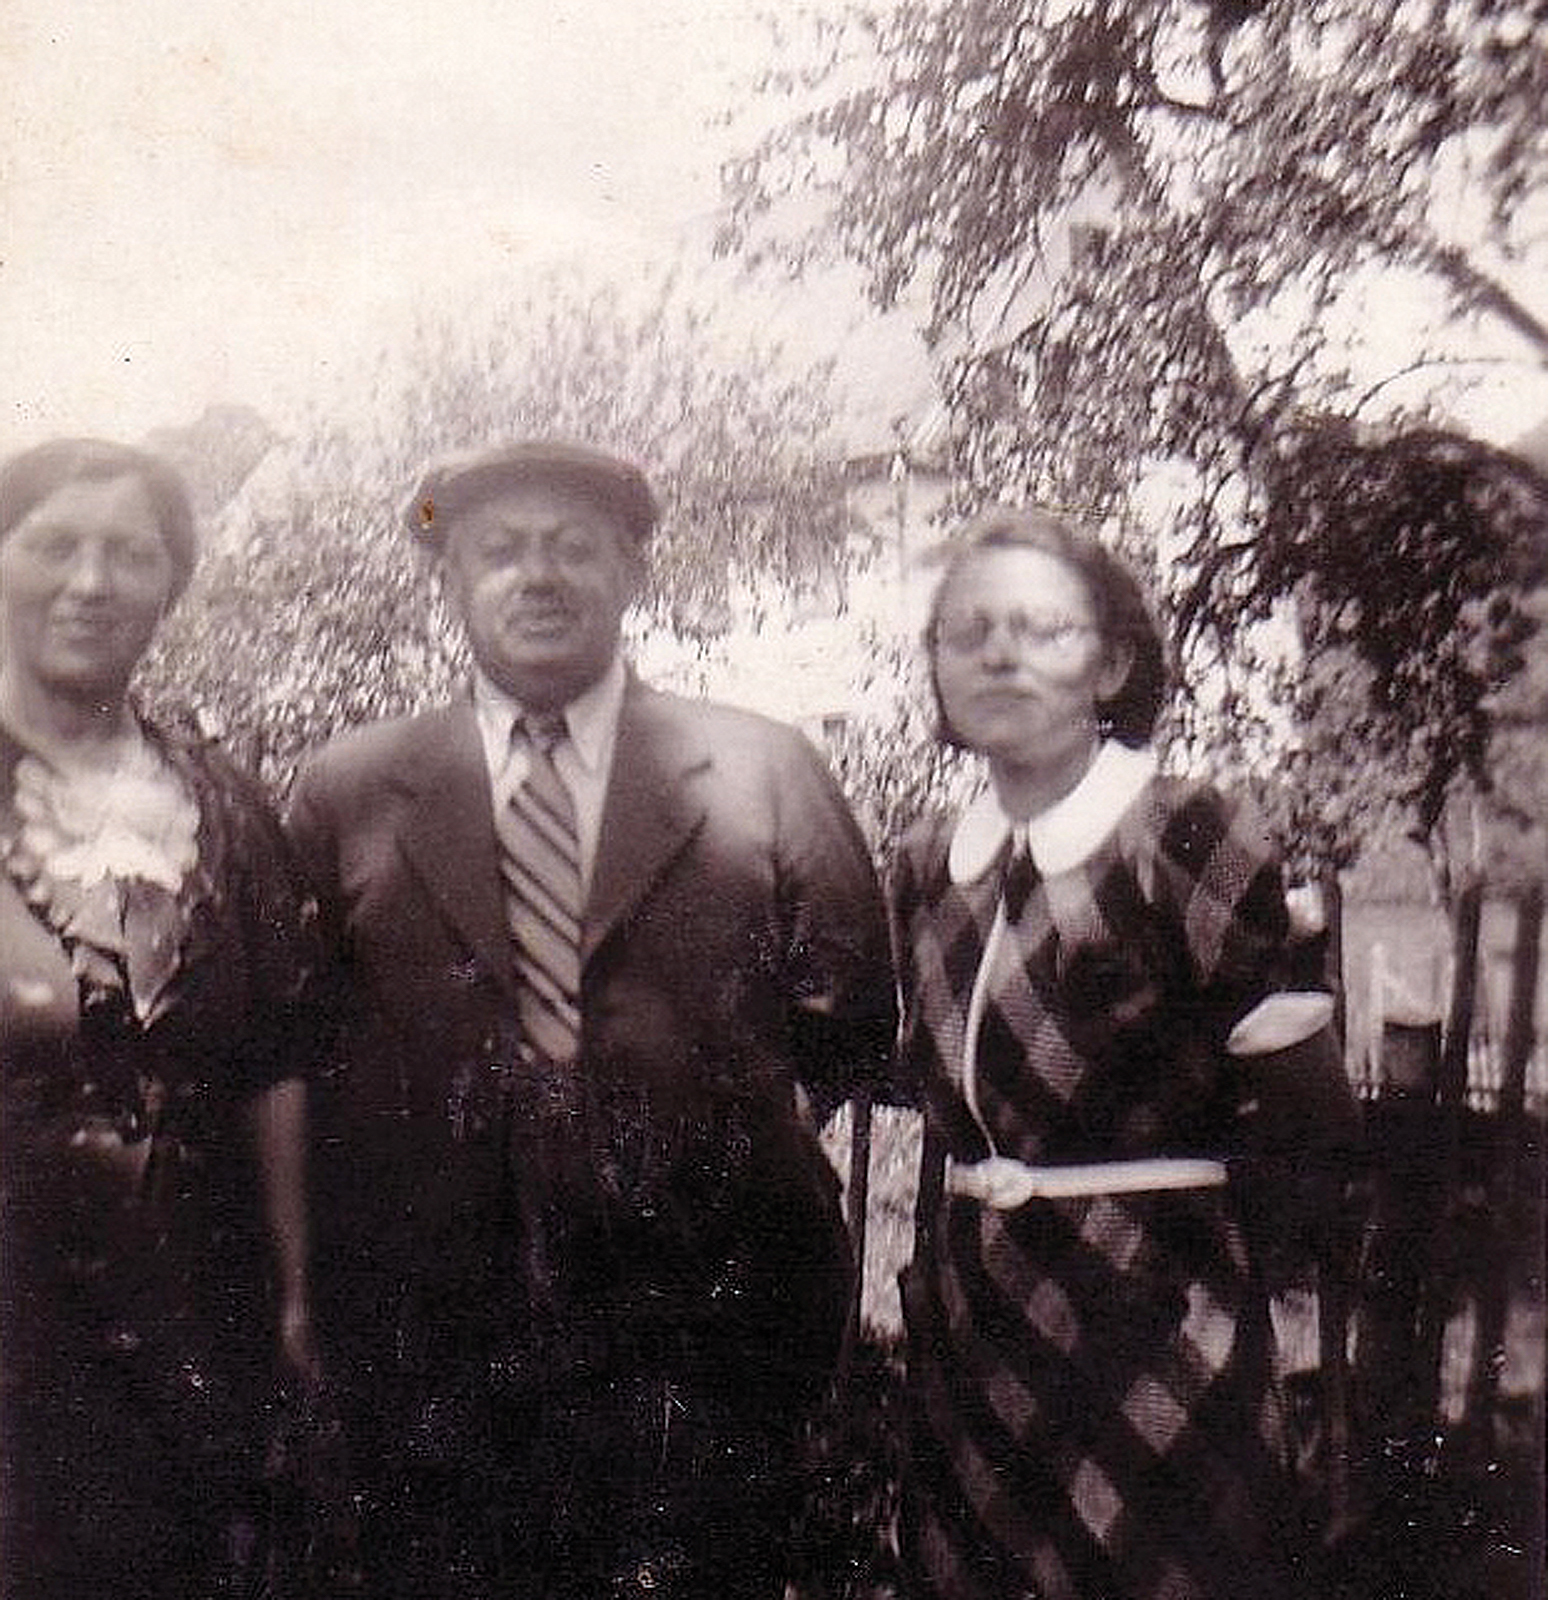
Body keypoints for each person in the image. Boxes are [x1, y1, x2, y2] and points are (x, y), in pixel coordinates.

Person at [286, 439, 896, 1599]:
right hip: (436, 1342)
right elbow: (298, 1046)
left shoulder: (759, 769)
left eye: (575, 548)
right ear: (450, 581)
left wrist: (683, 1147)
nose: (539, 576)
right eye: (500, 552)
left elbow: (848, 1013)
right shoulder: (349, 788)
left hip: (701, 1335)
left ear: (632, 572)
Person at [892, 506, 1352, 1600]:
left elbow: (1313, 1126)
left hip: (1153, 1330)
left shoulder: (1180, 833)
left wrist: (1196, 1284)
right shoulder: (923, 864)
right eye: (969, 631)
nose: (999, 654)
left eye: (1042, 630)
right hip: (978, 1331)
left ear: (1113, 664)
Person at [0, 438, 320, 1598]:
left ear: (170, 588)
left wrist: (293, 1295)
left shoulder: (223, 804)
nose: (91, 581)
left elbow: (276, 1054)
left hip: (197, 1324)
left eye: (130, 554)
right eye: (53, 545)